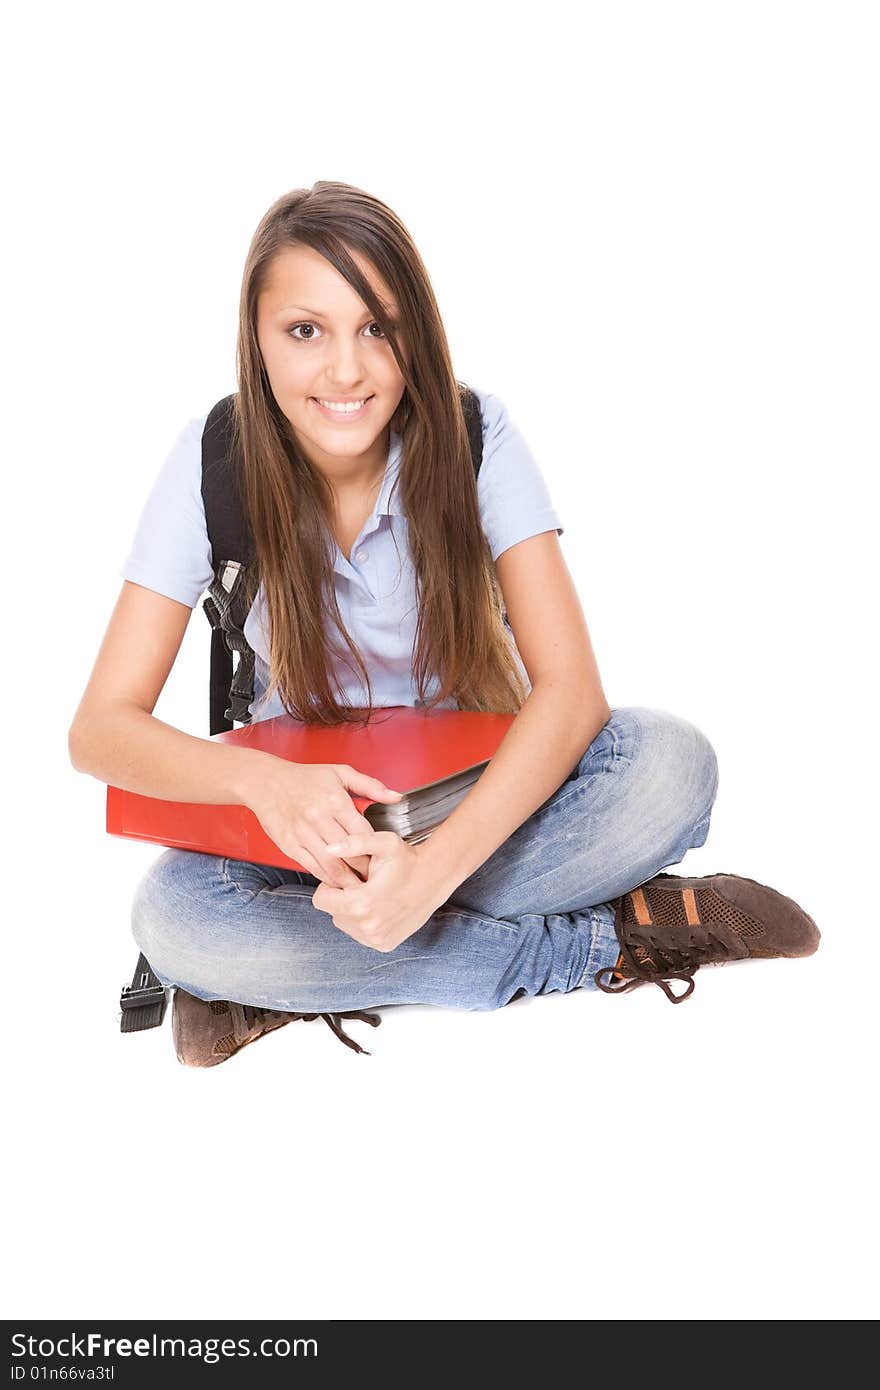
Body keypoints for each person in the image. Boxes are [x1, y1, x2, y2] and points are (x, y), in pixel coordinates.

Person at [68, 181, 820, 1067]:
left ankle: (284, 978)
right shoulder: (212, 460)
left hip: (483, 804)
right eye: (305, 331)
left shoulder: (476, 436)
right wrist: (265, 788)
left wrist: (433, 872)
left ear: (414, 337)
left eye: (377, 328)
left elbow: (572, 696)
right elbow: (100, 731)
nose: (345, 370)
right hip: (318, 835)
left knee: (669, 764)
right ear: (257, 341)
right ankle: (599, 943)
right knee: (172, 917)